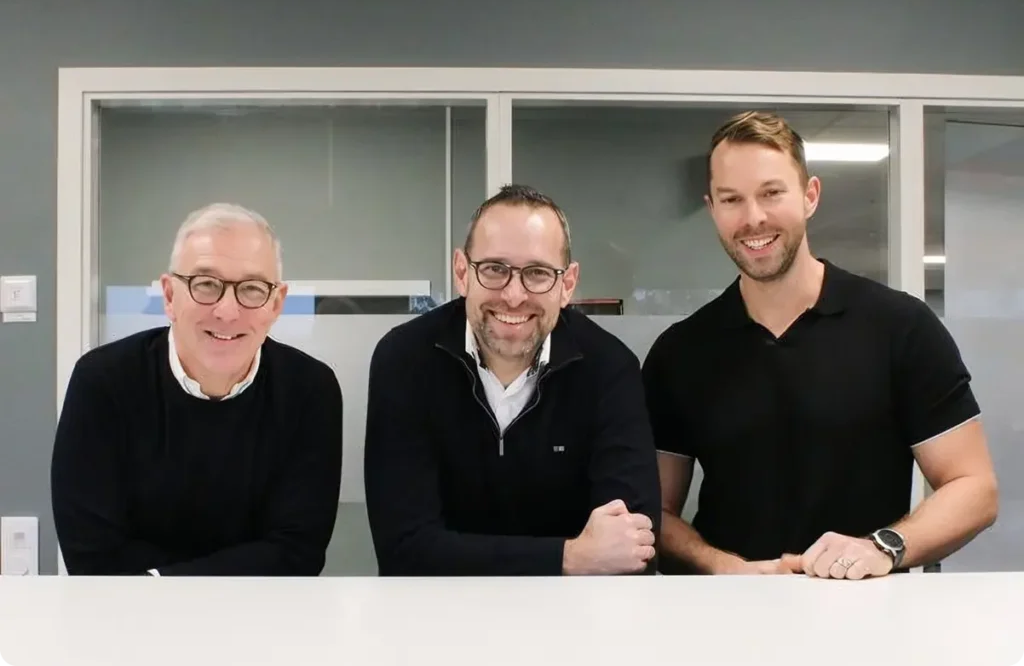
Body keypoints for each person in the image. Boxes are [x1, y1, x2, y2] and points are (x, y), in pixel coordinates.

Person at [643, 111, 999, 580]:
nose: (754, 218)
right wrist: (722, 567)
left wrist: (884, 546)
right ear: (712, 209)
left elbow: (974, 486)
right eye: (732, 199)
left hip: (868, 615)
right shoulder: (680, 353)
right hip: (727, 616)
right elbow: (652, 511)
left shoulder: (901, 327)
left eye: (772, 193)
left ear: (810, 196)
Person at [364, 184, 660, 576]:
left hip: (573, 620)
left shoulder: (610, 368)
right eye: (494, 269)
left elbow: (631, 547)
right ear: (461, 273)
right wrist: (569, 557)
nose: (514, 295)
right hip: (435, 617)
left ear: (567, 284)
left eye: (537, 273)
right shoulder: (404, 359)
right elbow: (403, 549)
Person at [51, 203, 343, 576]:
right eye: (206, 284)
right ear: (170, 296)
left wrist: (160, 579)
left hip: (262, 621)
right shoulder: (102, 382)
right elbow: (91, 554)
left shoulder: (310, 390)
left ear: (276, 303)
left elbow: (297, 552)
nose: (226, 311)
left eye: (252, 289)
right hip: (129, 622)